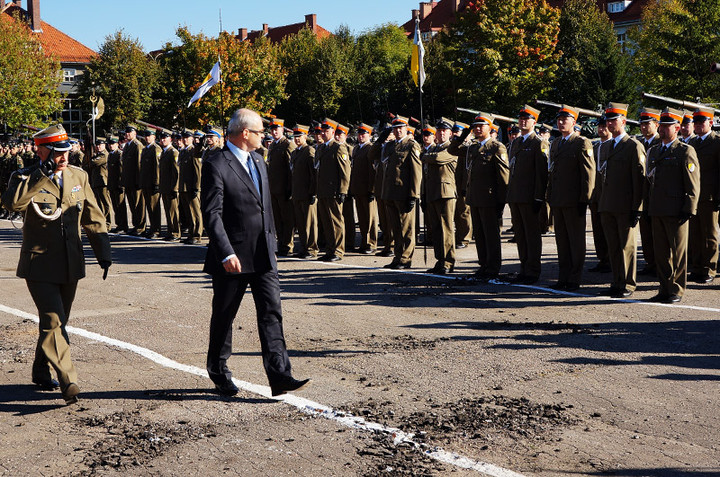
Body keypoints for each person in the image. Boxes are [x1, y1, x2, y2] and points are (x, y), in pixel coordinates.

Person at [201, 108, 310, 397]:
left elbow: (266, 209)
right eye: (260, 131)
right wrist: (224, 253)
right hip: (232, 257)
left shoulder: (259, 161)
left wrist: (273, 244)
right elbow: (212, 214)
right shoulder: (217, 163)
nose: (265, 135)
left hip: (263, 254)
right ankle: (219, 370)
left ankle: (280, 374)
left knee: (272, 313)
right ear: (244, 133)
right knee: (225, 316)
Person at [2, 124, 111, 405]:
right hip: (39, 263)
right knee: (53, 321)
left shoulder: (78, 175)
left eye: (66, 151)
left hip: (71, 262)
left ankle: (40, 370)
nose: (64, 157)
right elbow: (13, 204)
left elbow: (93, 216)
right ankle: (68, 378)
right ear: (41, 149)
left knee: (58, 321)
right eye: (57, 152)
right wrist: (42, 173)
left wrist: (104, 252)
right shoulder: (24, 176)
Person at [646, 107, 700, 303]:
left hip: (676, 210)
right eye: (662, 126)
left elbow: (693, 183)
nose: (662, 129)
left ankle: (676, 289)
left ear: (677, 127)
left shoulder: (685, 151)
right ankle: (664, 288)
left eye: (668, 126)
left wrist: (689, 208)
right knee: (660, 253)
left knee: (678, 253)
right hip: (657, 208)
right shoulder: (653, 151)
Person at [450, 113, 509, 279]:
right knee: (480, 235)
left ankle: (493, 267)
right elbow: (452, 149)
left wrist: (501, 203)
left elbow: (503, 178)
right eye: (475, 126)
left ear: (489, 128)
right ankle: (484, 265)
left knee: (491, 235)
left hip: (489, 199)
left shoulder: (496, 147)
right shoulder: (473, 147)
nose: (477, 129)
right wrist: (463, 134)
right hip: (474, 198)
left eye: (481, 126)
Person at [598, 103, 646, 298]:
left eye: (613, 120)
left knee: (627, 246)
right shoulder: (607, 146)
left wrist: (637, 207)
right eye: (608, 120)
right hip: (608, 204)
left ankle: (627, 283)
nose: (610, 124)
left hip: (626, 206)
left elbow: (639, 179)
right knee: (614, 246)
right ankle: (616, 281)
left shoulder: (633, 146)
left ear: (624, 122)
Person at [546, 105, 595, 291]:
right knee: (562, 241)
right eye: (559, 120)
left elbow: (588, 174)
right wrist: (550, 196)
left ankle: (574, 278)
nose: (560, 123)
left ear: (574, 122)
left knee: (576, 241)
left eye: (564, 120)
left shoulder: (581, 142)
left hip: (574, 201)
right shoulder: (556, 143)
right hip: (558, 200)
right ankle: (563, 276)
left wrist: (585, 199)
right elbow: (552, 173)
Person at [506, 105, 549, 284]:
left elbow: (542, 173)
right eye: (521, 118)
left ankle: (533, 271)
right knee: (521, 235)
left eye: (527, 119)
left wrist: (539, 197)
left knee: (531, 236)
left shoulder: (539, 143)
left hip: (530, 197)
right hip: (516, 196)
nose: (523, 121)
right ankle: (524, 268)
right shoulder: (516, 142)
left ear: (534, 122)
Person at [374, 116, 422, 269]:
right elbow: (372, 156)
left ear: (406, 129)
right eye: (395, 128)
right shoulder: (389, 146)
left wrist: (413, 195)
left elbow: (416, 172)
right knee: (395, 228)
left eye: (401, 128)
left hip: (403, 193)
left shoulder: (411, 145)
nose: (398, 130)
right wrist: (380, 140)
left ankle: (406, 259)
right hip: (389, 192)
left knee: (406, 229)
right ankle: (397, 257)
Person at [688, 106, 720, 284]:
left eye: (702, 122)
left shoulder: (717, 143)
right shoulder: (692, 143)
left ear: (711, 123)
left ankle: (710, 268)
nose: (699, 125)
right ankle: (698, 267)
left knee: (709, 234)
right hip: (693, 197)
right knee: (695, 234)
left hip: (709, 196)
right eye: (696, 122)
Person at [423, 120, 460, 274]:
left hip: (446, 193)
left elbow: (438, 158)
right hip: (432, 192)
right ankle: (440, 259)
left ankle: (448, 261)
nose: (441, 133)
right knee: (436, 228)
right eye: (439, 131)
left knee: (446, 228)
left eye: (445, 131)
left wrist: (425, 155)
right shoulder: (435, 148)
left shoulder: (451, 148)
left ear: (450, 133)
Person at [315, 118, 351, 262]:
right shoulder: (322, 148)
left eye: (326, 131)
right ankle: (330, 249)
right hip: (323, 191)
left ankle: (338, 250)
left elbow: (345, 171)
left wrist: (343, 190)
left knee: (336, 221)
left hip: (334, 191)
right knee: (326, 222)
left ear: (333, 132)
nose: (323, 133)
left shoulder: (338, 147)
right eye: (322, 131)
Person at [637, 108, 662, 276]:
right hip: (643, 196)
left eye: (648, 124)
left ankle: (659, 264)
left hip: (658, 197)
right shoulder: (640, 144)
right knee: (645, 233)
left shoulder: (661, 143)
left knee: (658, 234)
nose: (644, 127)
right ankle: (650, 262)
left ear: (657, 125)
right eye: (642, 124)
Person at [267, 118, 296, 256]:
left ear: (282, 130)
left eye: (276, 129)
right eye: (272, 129)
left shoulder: (288, 145)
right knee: (277, 219)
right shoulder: (272, 146)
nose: (274, 132)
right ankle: (281, 244)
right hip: (274, 189)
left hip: (284, 189)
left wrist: (290, 188)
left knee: (287, 219)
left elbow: (291, 170)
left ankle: (288, 245)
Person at [290, 125, 318, 258]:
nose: (297, 139)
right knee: (300, 223)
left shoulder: (309, 151)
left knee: (310, 223)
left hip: (307, 192)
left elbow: (313, 174)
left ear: (305, 136)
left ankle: (311, 249)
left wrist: (313, 192)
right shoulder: (295, 152)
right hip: (297, 192)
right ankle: (303, 247)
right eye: (295, 137)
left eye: (299, 137)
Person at [349, 123, 378, 254]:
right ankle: (363, 242)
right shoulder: (356, 149)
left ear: (369, 135)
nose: (361, 136)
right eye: (359, 134)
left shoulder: (370, 148)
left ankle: (371, 243)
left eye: (364, 134)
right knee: (361, 218)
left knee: (371, 218)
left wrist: (372, 189)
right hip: (358, 189)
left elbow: (372, 171)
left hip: (367, 189)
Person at [589, 116, 612, 273]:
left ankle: (611, 259)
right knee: (598, 230)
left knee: (609, 230)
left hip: (609, 195)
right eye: (600, 126)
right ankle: (602, 259)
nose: (602, 129)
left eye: (604, 126)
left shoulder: (614, 145)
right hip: (596, 195)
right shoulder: (595, 146)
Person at [178, 130, 203, 244]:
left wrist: (196, 187)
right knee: (188, 212)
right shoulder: (183, 152)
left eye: (187, 138)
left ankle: (197, 235)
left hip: (191, 187)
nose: (184, 140)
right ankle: (191, 233)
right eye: (183, 138)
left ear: (192, 139)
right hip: (184, 187)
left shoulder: (194, 151)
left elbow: (197, 171)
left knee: (195, 212)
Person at [452, 120, 472, 249]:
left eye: (458, 132)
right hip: (455, 183)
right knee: (456, 213)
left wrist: (466, 186)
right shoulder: (456, 147)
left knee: (464, 212)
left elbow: (468, 170)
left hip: (465, 184)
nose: (456, 134)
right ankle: (458, 236)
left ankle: (465, 238)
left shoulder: (470, 147)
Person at [122, 125, 146, 236]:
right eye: (126, 133)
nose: (127, 135)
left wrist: (139, 181)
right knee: (132, 205)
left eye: (130, 133)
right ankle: (136, 225)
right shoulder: (127, 146)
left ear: (135, 133)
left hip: (136, 181)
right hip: (129, 181)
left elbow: (139, 165)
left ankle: (141, 227)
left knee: (138, 205)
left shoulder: (138, 146)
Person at [158, 130, 181, 241]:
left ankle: (176, 232)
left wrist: (175, 188)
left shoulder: (173, 152)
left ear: (170, 139)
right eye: (161, 139)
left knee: (173, 211)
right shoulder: (164, 152)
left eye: (165, 138)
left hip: (171, 187)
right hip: (164, 187)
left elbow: (176, 172)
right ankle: (170, 231)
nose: (163, 140)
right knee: (168, 211)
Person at [140, 129, 162, 239]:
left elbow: (157, 168)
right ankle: (152, 228)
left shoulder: (156, 149)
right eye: (146, 135)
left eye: (149, 135)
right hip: (146, 183)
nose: (147, 137)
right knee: (149, 207)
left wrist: (157, 183)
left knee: (154, 208)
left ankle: (156, 230)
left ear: (154, 137)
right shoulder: (145, 150)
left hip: (153, 184)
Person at [89, 137, 113, 230]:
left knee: (106, 204)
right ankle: (103, 222)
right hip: (97, 181)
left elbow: (93, 163)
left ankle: (108, 223)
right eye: (97, 145)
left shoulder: (104, 155)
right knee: (99, 204)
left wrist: (91, 158)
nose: (98, 147)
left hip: (103, 182)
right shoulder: (98, 155)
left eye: (100, 145)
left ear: (104, 145)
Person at [107, 135, 128, 233]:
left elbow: (121, 170)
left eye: (113, 144)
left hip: (118, 184)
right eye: (110, 144)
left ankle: (123, 225)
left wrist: (121, 183)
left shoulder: (119, 154)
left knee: (120, 206)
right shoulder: (110, 154)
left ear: (117, 144)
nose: (111, 146)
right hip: (112, 184)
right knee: (115, 206)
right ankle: (119, 224)